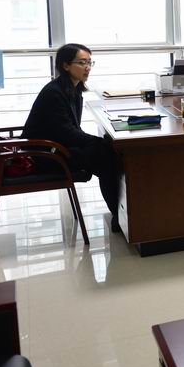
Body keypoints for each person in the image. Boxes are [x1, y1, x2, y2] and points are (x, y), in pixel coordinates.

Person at [22, 43, 122, 232]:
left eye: (90, 62)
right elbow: (67, 132)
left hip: (57, 147)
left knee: (106, 152)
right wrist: (97, 142)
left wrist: (97, 143)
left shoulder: (72, 89)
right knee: (106, 156)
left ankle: (121, 213)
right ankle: (120, 215)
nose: (88, 67)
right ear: (66, 65)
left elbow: (71, 130)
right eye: (82, 63)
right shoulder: (54, 93)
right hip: (44, 155)